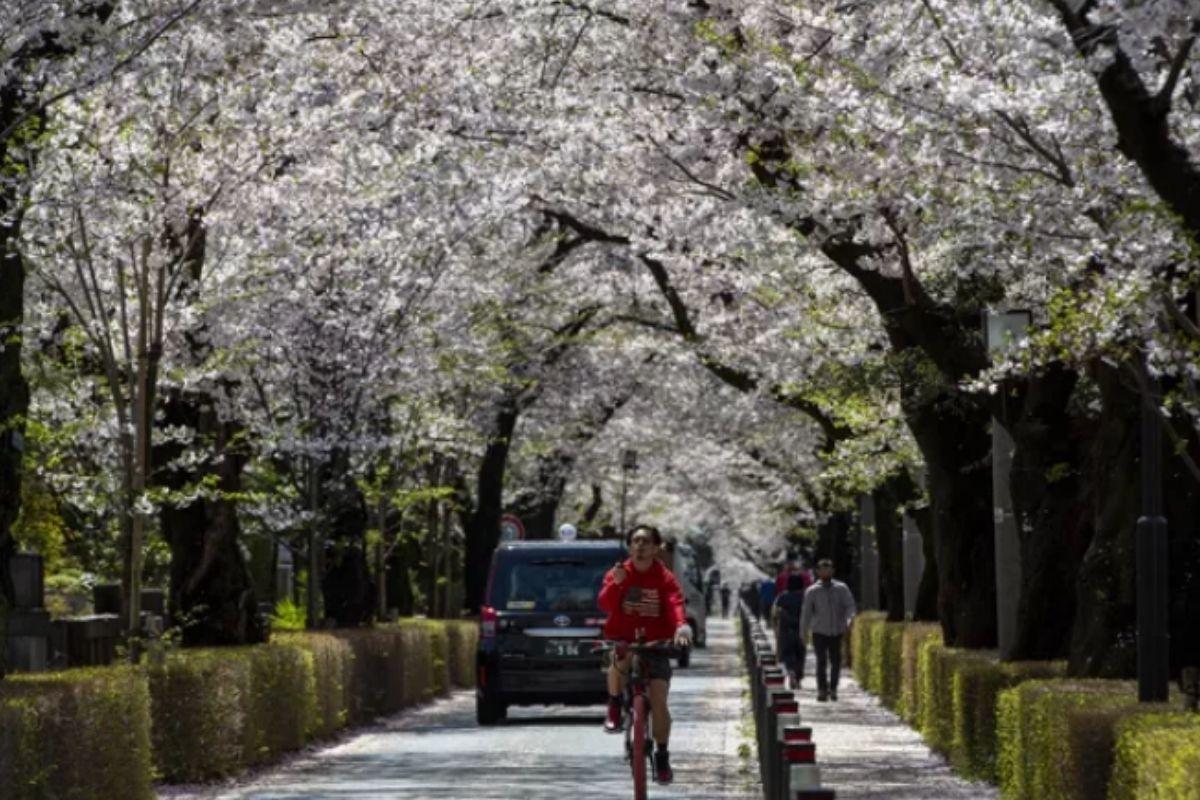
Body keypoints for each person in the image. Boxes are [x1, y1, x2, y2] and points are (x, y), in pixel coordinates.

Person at [598, 524, 693, 785]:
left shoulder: (664, 576)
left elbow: (674, 602)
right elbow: (604, 603)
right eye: (636, 541)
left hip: (656, 644)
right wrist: (616, 584)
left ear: (655, 548)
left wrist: (681, 626)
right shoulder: (619, 572)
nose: (640, 546)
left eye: (646, 541)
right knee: (619, 659)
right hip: (624, 639)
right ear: (630, 546)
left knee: (659, 699)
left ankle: (662, 755)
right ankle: (615, 704)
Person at [800, 558, 857, 702]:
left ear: (833, 571)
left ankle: (833, 688)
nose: (826, 572)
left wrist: (849, 618)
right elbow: (806, 613)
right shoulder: (812, 591)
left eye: (828, 569)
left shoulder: (841, 588)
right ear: (818, 572)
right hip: (819, 631)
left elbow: (850, 605)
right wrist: (803, 632)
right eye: (823, 569)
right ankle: (822, 690)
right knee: (821, 661)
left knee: (836, 661)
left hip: (837, 631)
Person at [771, 572, 807, 690]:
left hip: (785, 631)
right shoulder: (805, 597)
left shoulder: (781, 597)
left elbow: (775, 614)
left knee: (787, 653)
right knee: (800, 654)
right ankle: (798, 677)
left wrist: (775, 629)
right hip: (801, 630)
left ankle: (790, 671)